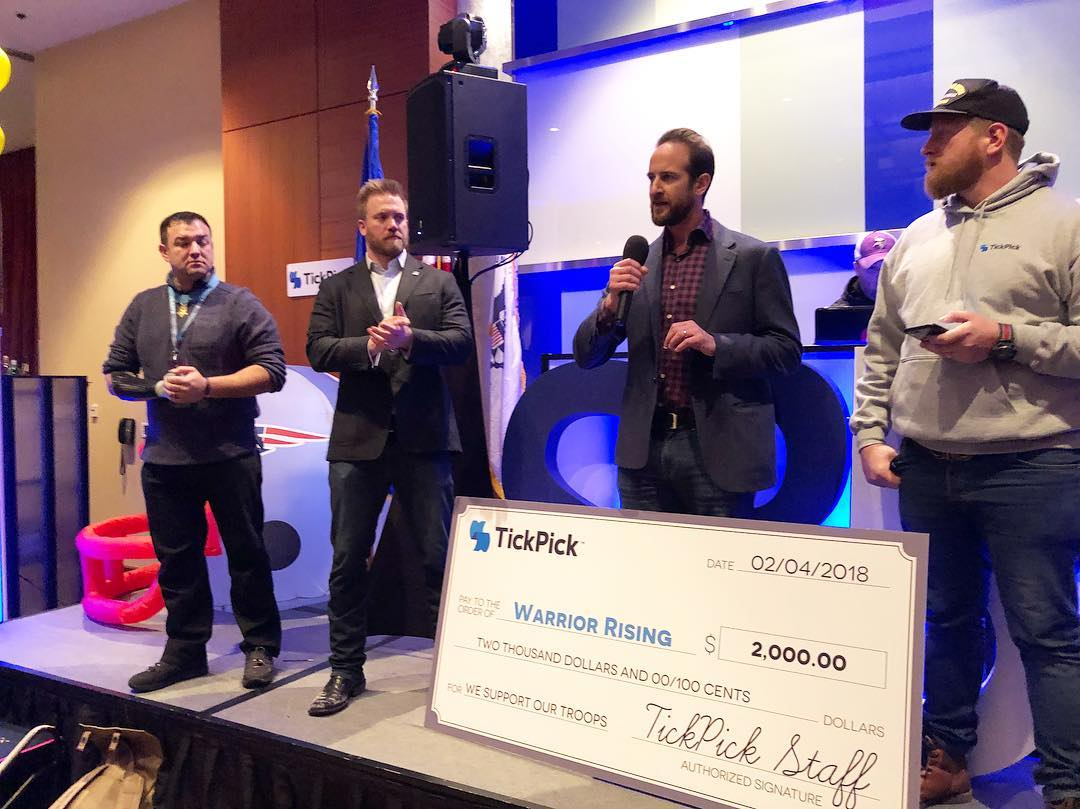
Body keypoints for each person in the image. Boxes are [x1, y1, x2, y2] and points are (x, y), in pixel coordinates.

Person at [851, 78, 1080, 809]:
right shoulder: (916, 238)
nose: (927, 147)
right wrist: (869, 432)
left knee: (1047, 632)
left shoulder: (1066, 224)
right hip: (926, 465)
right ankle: (946, 757)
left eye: (943, 132)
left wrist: (1005, 337)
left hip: (1034, 465)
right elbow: (880, 346)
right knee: (945, 621)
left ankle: (1067, 785)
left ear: (993, 138)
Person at [305, 178, 472, 716]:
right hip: (358, 441)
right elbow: (317, 348)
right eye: (383, 217)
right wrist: (371, 346)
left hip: (426, 442)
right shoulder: (338, 287)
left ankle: (454, 676)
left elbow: (462, 342)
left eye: (399, 216)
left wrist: (410, 340)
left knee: (438, 559)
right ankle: (344, 671)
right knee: (348, 560)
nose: (394, 224)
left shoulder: (437, 283)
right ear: (363, 226)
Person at [573, 128, 802, 517]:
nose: (655, 189)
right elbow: (586, 355)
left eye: (668, 177)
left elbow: (786, 350)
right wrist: (609, 307)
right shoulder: (639, 261)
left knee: (717, 557)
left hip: (718, 451)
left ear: (701, 183)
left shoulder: (752, 258)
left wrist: (716, 344)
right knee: (645, 556)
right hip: (644, 452)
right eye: (651, 178)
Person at [103, 211, 286, 693]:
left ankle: (261, 646)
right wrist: (156, 388)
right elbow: (115, 375)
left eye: (203, 240)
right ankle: (185, 653)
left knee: (248, 553)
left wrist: (208, 386)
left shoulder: (240, 303)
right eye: (183, 242)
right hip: (166, 460)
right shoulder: (143, 306)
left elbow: (272, 371)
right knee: (177, 560)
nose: (196, 249)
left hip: (231, 454)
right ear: (165, 251)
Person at [829, 230, 897, 308]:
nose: (880, 276)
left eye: (887, 268)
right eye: (872, 268)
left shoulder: (908, 307)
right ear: (857, 268)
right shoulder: (837, 314)